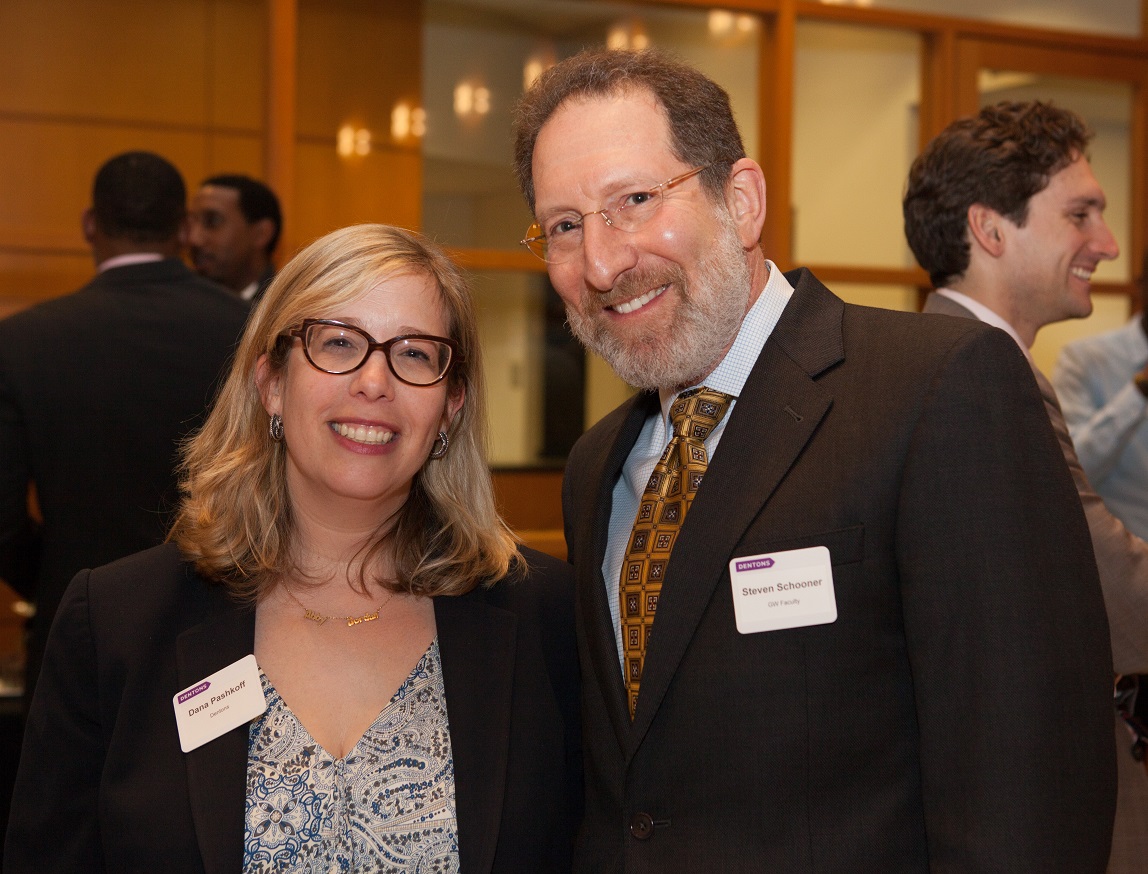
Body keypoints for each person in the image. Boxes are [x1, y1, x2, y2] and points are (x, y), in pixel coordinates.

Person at [513, 48, 1115, 872]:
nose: (603, 263)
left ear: (743, 198)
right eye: (565, 227)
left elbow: (1029, 781)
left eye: (635, 201)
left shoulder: (937, 390)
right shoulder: (596, 471)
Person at [4, 224, 581, 872]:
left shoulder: (548, 617)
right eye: (338, 343)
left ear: (450, 406)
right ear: (271, 381)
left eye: (415, 354)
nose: (374, 381)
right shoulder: (115, 623)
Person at [903, 100, 1148, 873]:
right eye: (1081, 215)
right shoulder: (977, 373)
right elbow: (1102, 580)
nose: (1107, 245)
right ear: (990, 229)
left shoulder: (944, 356)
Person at [0, 151, 249, 702]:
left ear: (90, 223)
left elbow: (3, 521)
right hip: (222, 629)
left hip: (77, 629)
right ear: (183, 227)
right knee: (210, 787)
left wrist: (62, 577)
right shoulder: (248, 329)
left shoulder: (21, 342)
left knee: (69, 785)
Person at [1054, 253, 1148, 541]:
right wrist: (1140, 389)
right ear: (1142, 287)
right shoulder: (1085, 360)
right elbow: (1071, 475)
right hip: (1120, 567)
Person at [189, 173, 282, 302]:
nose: (194, 238)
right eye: (190, 223)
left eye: (212, 221)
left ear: (261, 233)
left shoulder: (284, 309)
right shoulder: (185, 301)